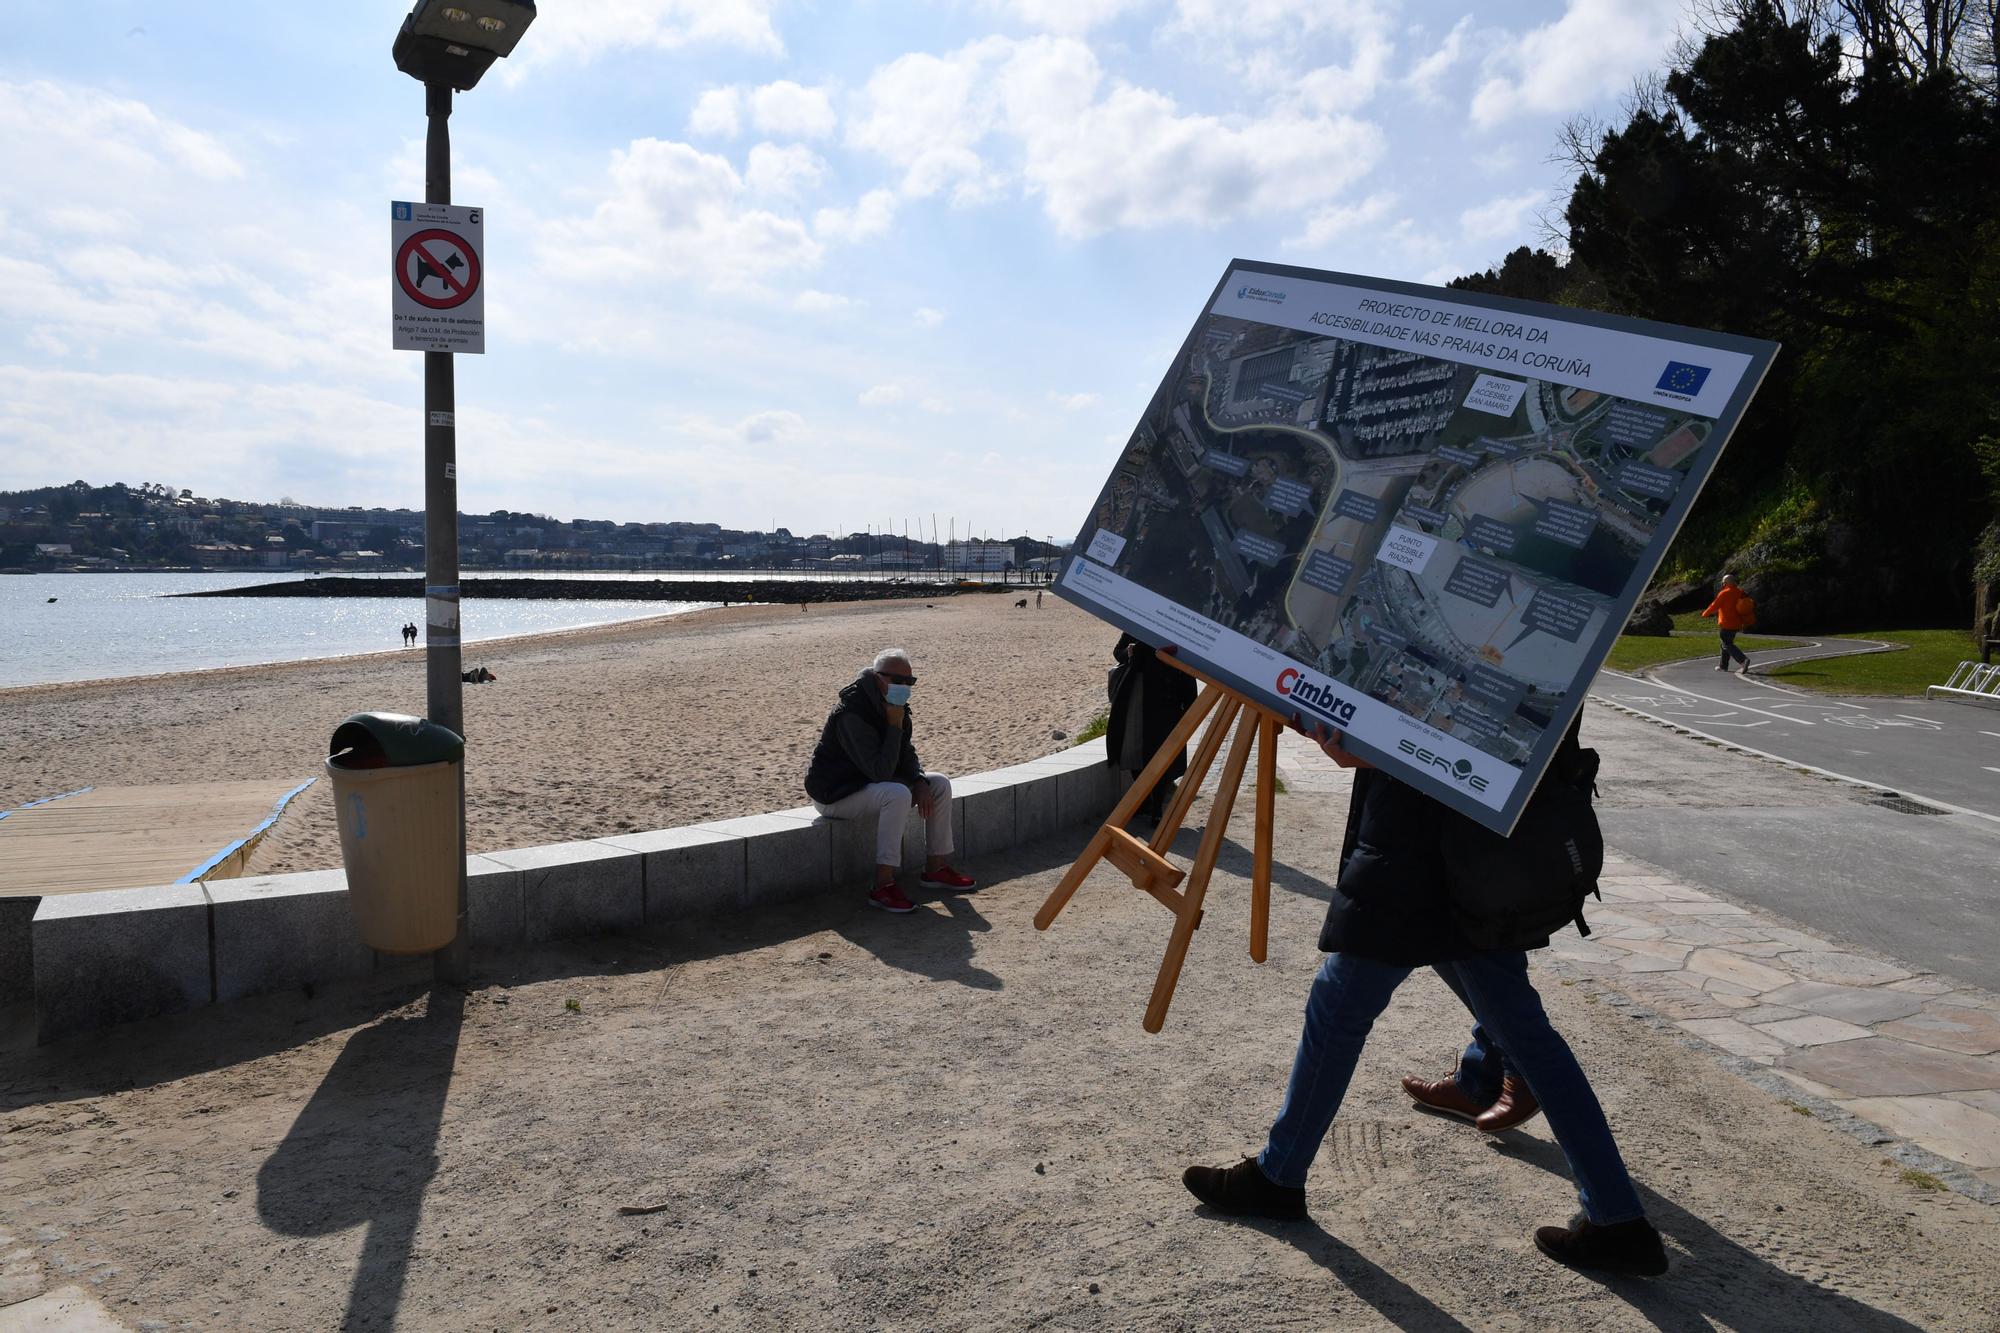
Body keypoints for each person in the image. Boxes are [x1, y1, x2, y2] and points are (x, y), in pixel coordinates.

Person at [1181, 722, 1667, 1278]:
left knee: (1340, 1005)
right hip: (1476, 845)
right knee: (1522, 1037)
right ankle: (1617, 1219)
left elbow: (1393, 734)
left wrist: (1339, 728)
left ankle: (1277, 1177)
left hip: (1424, 847)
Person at [805, 648, 975, 913]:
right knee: (897, 793)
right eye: (898, 680)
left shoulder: (896, 706)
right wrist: (894, 726)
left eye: (910, 681)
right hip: (835, 794)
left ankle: (935, 869)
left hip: (868, 786)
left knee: (938, 784)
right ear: (876, 678)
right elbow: (879, 772)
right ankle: (882, 886)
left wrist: (919, 779)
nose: (904, 687)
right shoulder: (852, 713)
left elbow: (906, 754)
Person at [1104, 633, 1198, 826]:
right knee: (1133, 751)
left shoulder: (1175, 625)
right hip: (1137, 695)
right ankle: (1144, 800)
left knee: (1161, 754)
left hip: (1167, 698)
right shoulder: (1137, 622)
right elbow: (1118, 652)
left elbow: (1188, 662)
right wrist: (1128, 651)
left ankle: (1156, 807)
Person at [1701, 573, 1753, 673]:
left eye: (1723, 582)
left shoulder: (1724, 593)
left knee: (1727, 644)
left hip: (1726, 623)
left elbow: (1714, 605)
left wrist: (1705, 614)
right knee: (1724, 644)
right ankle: (1723, 666)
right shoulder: (1740, 592)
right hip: (1737, 623)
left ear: (1725, 583)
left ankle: (1743, 660)